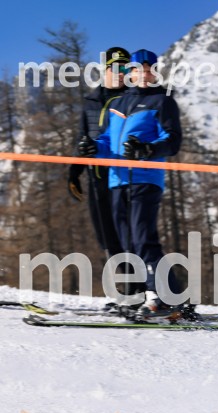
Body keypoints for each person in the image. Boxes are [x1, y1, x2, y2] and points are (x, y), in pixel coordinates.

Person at [78, 49, 183, 319]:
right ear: (131, 74)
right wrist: (92, 147)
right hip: (118, 180)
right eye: (138, 70)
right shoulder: (119, 104)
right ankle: (140, 297)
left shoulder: (162, 102)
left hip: (145, 180)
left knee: (143, 238)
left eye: (149, 70)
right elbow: (107, 141)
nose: (144, 75)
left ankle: (167, 298)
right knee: (127, 242)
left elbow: (172, 141)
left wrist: (147, 149)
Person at [68, 46, 132, 309]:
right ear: (105, 70)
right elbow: (83, 138)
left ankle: (135, 291)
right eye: (115, 68)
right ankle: (124, 291)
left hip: (123, 178)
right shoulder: (91, 101)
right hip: (97, 179)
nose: (120, 74)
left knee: (127, 234)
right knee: (105, 236)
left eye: (126, 69)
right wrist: (74, 170)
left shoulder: (131, 98)